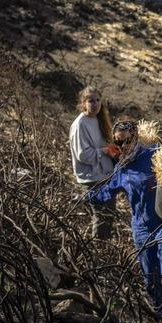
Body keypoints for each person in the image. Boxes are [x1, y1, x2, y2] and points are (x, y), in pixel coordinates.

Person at [85, 119, 162, 321]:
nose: (123, 146)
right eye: (119, 142)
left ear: (135, 137)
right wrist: (86, 197)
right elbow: (107, 191)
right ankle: (161, 315)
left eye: (127, 140)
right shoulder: (122, 168)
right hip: (142, 228)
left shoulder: (154, 155)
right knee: (150, 276)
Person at [69, 87, 117, 240]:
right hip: (91, 178)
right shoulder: (80, 124)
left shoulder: (99, 119)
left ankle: (103, 247)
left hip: (105, 174)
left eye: (97, 100)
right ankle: (97, 249)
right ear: (83, 103)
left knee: (108, 215)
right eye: (90, 101)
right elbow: (83, 155)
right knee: (101, 216)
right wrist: (104, 151)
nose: (95, 104)